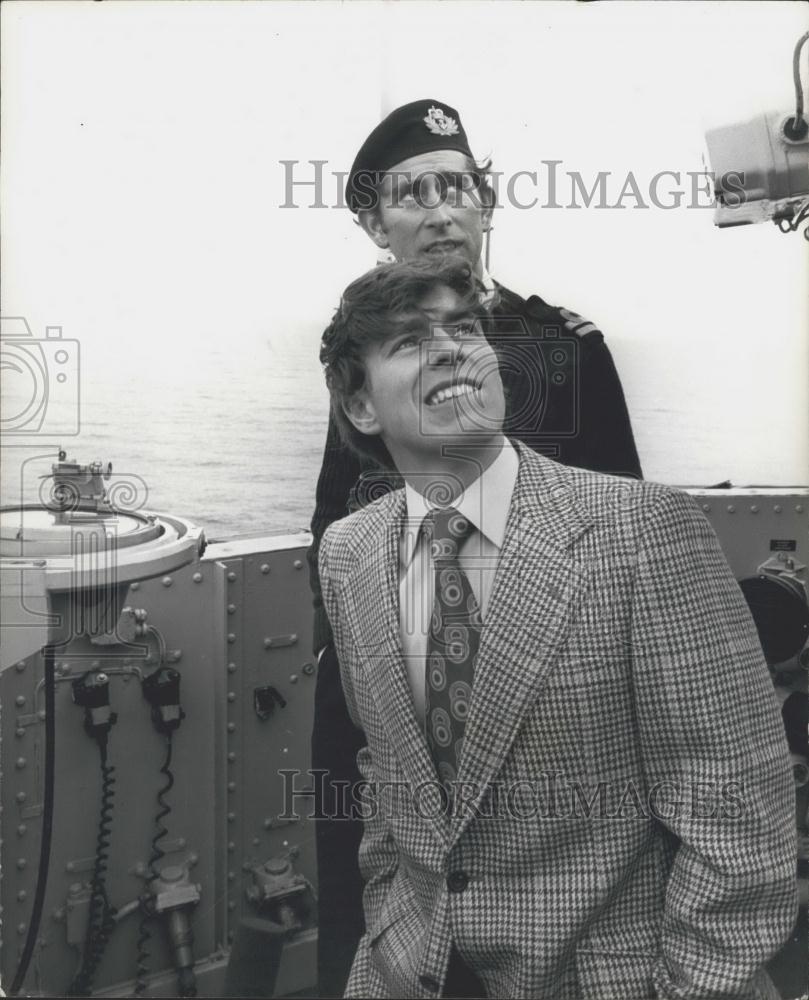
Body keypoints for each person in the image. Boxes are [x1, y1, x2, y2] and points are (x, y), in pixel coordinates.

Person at [316, 259, 797, 999]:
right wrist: (388, 920)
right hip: (408, 969)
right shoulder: (347, 554)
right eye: (409, 341)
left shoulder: (641, 530)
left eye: (465, 328)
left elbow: (734, 804)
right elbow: (385, 771)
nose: (451, 348)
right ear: (359, 407)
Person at [309, 98, 643, 996]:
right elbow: (334, 523)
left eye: (457, 186)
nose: (441, 208)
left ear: (487, 207)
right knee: (376, 910)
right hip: (389, 699)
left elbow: (623, 545)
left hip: (543, 715)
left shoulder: (566, 350)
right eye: (412, 194)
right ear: (376, 224)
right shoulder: (364, 350)